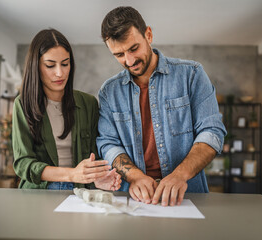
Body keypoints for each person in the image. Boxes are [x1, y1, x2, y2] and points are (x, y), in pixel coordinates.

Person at [97, 7, 226, 206]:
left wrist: (179, 175)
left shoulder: (191, 75)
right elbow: (108, 144)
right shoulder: (108, 92)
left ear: (148, 34)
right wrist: (136, 177)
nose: (129, 61)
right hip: (132, 199)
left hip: (187, 196)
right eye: (119, 54)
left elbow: (212, 132)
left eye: (133, 48)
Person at [12, 29, 121, 191]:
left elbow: (95, 156)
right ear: (36, 66)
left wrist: (97, 179)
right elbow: (22, 163)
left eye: (65, 64)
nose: (60, 73)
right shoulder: (23, 104)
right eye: (50, 65)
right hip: (39, 192)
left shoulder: (88, 103)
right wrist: (71, 174)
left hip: (80, 191)